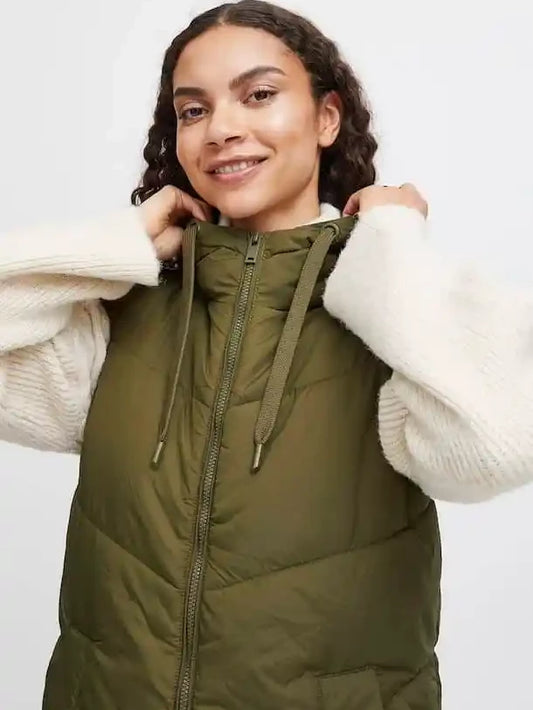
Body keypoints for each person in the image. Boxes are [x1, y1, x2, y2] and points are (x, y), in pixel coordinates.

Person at [0, 1, 532, 708]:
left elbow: (495, 447)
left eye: (258, 95)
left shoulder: (396, 313)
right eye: (193, 110)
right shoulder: (124, 315)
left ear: (326, 118)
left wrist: (390, 243)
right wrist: (115, 245)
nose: (221, 128)